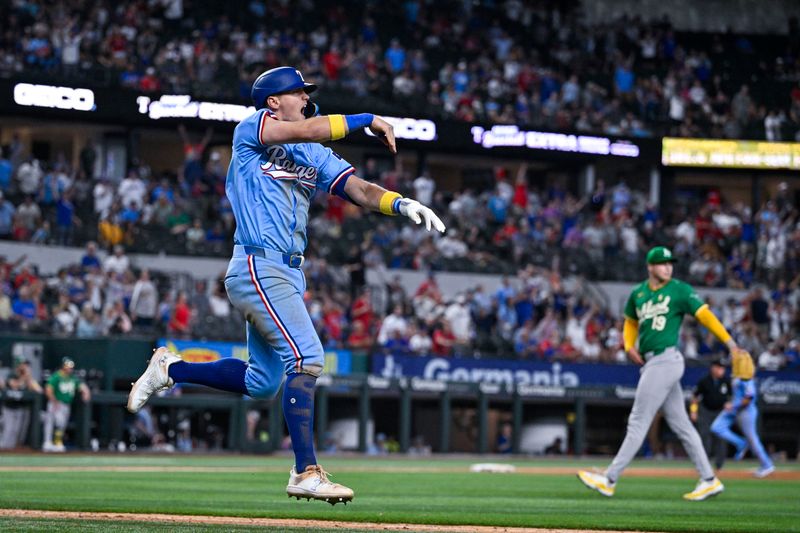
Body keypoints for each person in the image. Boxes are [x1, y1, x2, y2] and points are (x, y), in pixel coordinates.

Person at [127, 66, 445, 505]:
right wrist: (366, 118)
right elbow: (315, 126)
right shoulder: (251, 128)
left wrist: (401, 203)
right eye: (297, 92)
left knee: (261, 381)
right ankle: (305, 471)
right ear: (274, 101)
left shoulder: (311, 151)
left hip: (288, 272)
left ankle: (170, 370)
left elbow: (360, 190)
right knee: (309, 357)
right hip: (258, 263)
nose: (305, 98)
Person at [577, 246, 750, 501]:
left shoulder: (679, 289)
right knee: (682, 426)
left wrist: (730, 343)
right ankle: (709, 480)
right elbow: (630, 322)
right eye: (662, 263)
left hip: (665, 359)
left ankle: (609, 478)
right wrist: (628, 344)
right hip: (653, 362)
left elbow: (705, 316)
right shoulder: (638, 293)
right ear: (650, 266)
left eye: (670, 263)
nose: (668, 267)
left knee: (637, 421)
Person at [711, 353, 775, 478]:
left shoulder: (747, 378)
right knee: (716, 427)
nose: (735, 362)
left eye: (738, 361)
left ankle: (767, 464)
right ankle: (740, 443)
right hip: (735, 409)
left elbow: (748, 398)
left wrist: (733, 406)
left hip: (746, 411)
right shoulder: (737, 376)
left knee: (752, 439)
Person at [43, 357, 91, 452]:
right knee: (50, 423)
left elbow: (82, 386)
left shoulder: (72, 378)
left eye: (71, 367)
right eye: (68, 367)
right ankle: (47, 442)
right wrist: (54, 401)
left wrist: (86, 392)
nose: (70, 369)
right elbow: (48, 389)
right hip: (55, 403)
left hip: (66, 404)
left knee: (62, 424)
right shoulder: (57, 376)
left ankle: (57, 442)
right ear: (63, 366)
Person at [690, 359, 730, 470]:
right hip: (706, 411)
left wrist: (730, 404)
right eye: (719, 367)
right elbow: (694, 397)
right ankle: (704, 464)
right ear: (713, 368)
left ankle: (719, 465)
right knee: (705, 437)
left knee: (721, 438)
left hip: (720, 412)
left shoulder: (726, 381)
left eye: (722, 368)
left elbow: (732, 396)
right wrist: (693, 411)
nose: (721, 370)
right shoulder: (704, 381)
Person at [0, 358, 42, 449]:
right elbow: (14, 385)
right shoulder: (12, 374)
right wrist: (24, 377)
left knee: (16, 431)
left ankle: (11, 450)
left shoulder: (27, 377)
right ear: (18, 365)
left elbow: (38, 390)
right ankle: (3, 449)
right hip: (9, 407)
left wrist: (29, 377)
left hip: (20, 407)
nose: (25, 366)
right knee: (9, 429)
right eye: (23, 364)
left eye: (26, 365)